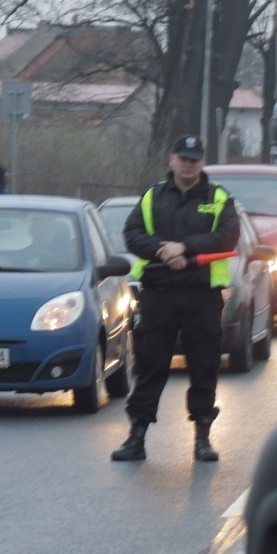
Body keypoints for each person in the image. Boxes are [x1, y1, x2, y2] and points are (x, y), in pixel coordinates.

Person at [112, 134, 240, 463]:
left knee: (203, 366)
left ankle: (202, 438)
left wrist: (185, 248)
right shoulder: (153, 196)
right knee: (150, 365)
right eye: (183, 158)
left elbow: (227, 236)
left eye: (194, 159)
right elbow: (132, 234)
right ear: (172, 160)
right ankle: (136, 437)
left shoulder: (219, 197)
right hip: (159, 292)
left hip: (202, 293)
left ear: (202, 162)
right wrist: (162, 251)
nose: (188, 163)